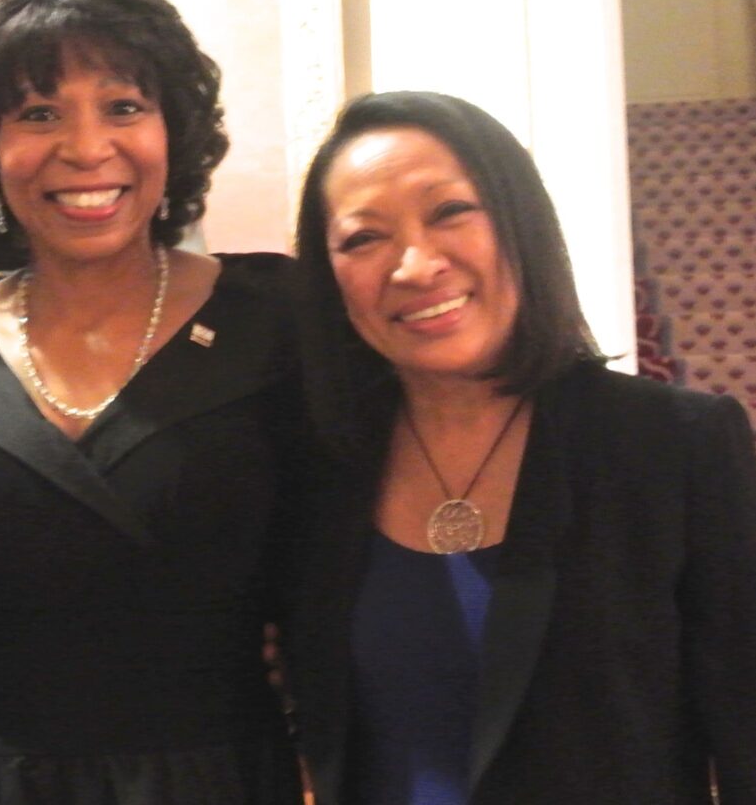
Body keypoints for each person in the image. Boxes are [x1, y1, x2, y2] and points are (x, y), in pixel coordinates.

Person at [0, 0, 304, 804]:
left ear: (171, 128)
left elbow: (350, 545)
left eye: (122, 106)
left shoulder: (279, 323)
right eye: (37, 114)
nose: (84, 146)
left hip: (213, 779)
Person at [286, 90, 756, 805]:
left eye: (450, 211)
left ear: (518, 222)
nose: (414, 265)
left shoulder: (673, 447)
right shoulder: (320, 465)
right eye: (362, 239)